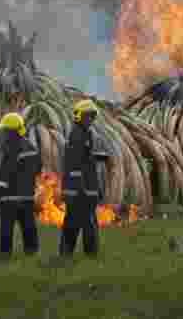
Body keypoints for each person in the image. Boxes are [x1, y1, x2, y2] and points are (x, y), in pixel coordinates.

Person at [59, 99, 110, 257]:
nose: (91, 120)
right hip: (79, 191)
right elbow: (75, 164)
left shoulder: (84, 133)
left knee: (79, 222)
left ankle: (71, 253)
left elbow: (84, 159)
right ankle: (85, 253)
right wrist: (82, 189)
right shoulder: (78, 134)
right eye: (89, 116)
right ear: (80, 116)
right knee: (81, 223)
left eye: (93, 116)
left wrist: (97, 157)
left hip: (82, 190)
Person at [0, 112, 42, 257]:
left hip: (9, 197)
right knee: (28, 225)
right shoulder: (31, 146)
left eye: (6, 130)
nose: (4, 133)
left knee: (6, 227)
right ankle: (31, 250)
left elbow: (5, 173)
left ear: (12, 131)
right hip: (27, 196)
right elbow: (38, 167)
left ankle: (5, 253)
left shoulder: (10, 148)